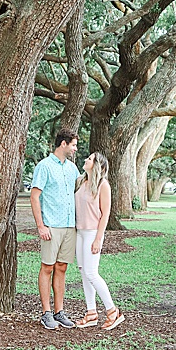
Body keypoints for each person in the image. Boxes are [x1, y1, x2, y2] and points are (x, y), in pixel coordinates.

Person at [30, 128, 80, 330]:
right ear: (64, 144)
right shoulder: (44, 166)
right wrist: (41, 226)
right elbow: (34, 197)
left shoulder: (72, 169)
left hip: (70, 226)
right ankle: (46, 312)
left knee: (62, 268)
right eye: (74, 145)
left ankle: (59, 312)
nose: (75, 149)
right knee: (47, 267)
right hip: (51, 225)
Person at [73, 152, 125, 330]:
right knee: (83, 272)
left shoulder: (104, 185)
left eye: (90, 159)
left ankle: (113, 311)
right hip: (79, 232)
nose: (86, 160)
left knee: (92, 273)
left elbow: (105, 214)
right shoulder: (81, 182)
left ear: (97, 165)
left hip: (93, 233)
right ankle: (91, 313)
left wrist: (98, 239)